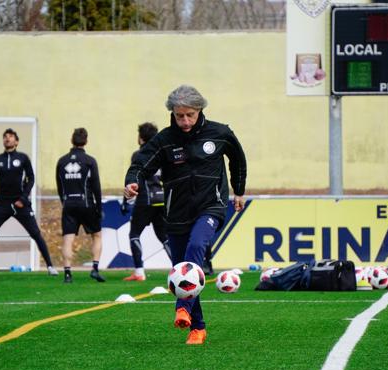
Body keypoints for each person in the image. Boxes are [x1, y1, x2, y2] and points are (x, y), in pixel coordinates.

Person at [124, 85, 247, 344]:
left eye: (190, 115)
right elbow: (141, 164)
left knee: (197, 245)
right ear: (173, 113)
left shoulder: (220, 133)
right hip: (176, 212)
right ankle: (198, 328)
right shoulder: (165, 139)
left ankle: (182, 308)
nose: (185, 121)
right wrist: (133, 181)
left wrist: (239, 191)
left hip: (211, 206)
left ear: (199, 110)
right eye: (180, 116)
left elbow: (238, 159)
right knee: (182, 271)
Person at [0, 128, 57, 276]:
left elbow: (31, 179)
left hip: (21, 204)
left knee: (36, 234)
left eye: (11, 136)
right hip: (2, 204)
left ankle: (50, 267)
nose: (7, 139)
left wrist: (23, 198)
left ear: (16, 141)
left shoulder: (23, 158)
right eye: (5, 137)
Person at [121, 122, 172, 281]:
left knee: (134, 234)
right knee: (164, 237)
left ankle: (139, 272)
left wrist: (125, 201)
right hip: (161, 199)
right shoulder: (162, 153)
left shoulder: (139, 155)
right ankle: (178, 267)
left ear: (141, 138)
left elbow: (134, 180)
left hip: (145, 200)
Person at [56, 128, 105, 284]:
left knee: (68, 239)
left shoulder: (62, 161)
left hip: (69, 204)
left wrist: (64, 202)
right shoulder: (90, 161)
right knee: (96, 235)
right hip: (87, 204)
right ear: (86, 141)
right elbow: (96, 186)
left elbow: (59, 186)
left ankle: (68, 273)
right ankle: (95, 269)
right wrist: (99, 207)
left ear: (72, 140)